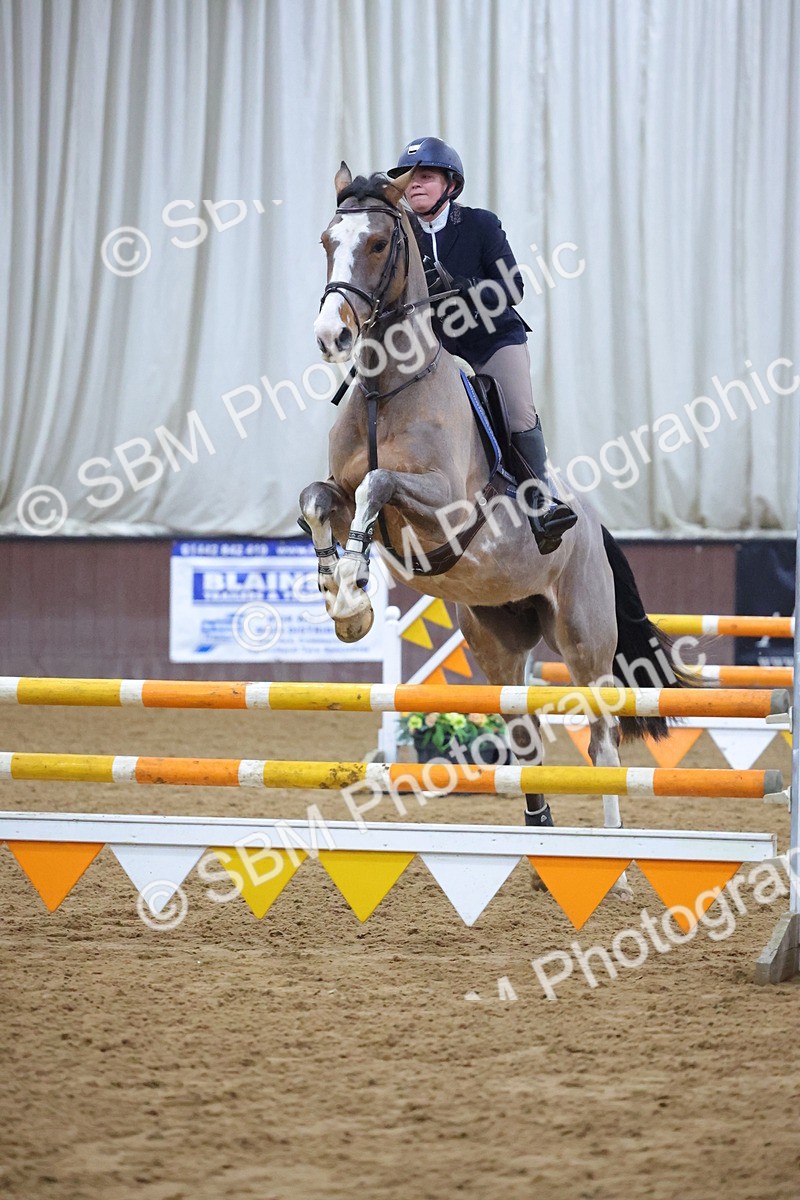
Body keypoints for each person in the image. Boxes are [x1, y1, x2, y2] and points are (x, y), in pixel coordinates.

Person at [387, 137, 577, 554]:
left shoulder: (480, 225)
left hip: (492, 341)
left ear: (450, 185)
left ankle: (540, 503)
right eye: (409, 179)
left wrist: (464, 289)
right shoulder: (400, 235)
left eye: (426, 177)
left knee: (518, 412)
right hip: (436, 349)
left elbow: (515, 287)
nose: (415, 185)